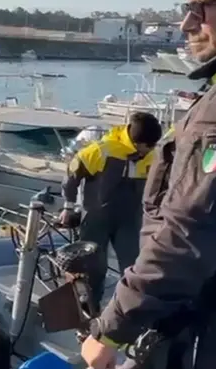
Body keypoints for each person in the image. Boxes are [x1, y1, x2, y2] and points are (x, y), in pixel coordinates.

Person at [81, 0, 216, 369]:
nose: (186, 23)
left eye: (201, 7)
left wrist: (112, 329)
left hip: (204, 337)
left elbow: (187, 233)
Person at [58, 112, 163, 309]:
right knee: (93, 267)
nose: (152, 149)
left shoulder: (152, 156)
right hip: (96, 219)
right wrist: (68, 207)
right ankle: (90, 305)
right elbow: (72, 176)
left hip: (129, 221)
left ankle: (127, 308)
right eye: (149, 146)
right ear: (137, 142)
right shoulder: (101, 151)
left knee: (132, 265)